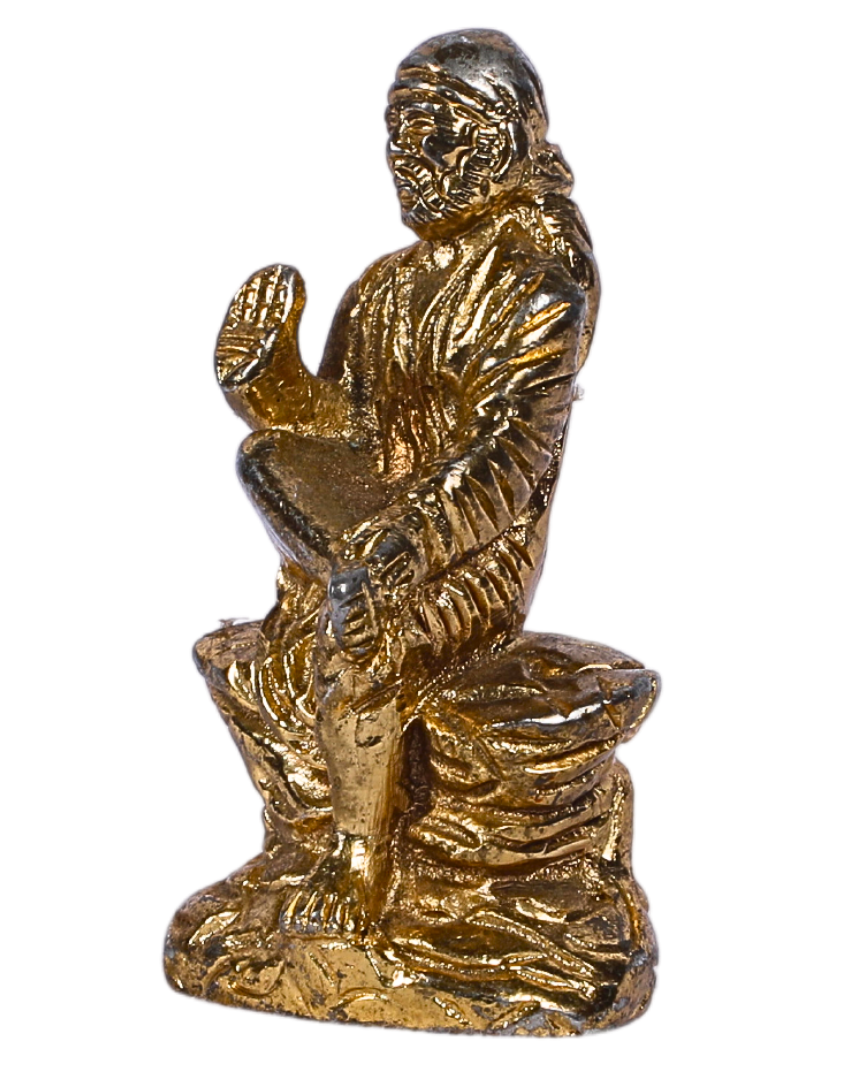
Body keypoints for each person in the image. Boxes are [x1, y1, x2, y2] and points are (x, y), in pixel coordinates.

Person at [196, 28, 602, 934]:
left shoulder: (540, 292)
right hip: (378, 524)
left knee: (361, 633)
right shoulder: (382, 288)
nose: (404, 156)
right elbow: (348, 432)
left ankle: (359, 855)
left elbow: (506, 460)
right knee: (258, 457)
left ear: (499, 143)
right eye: (396, 132)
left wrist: (404, 544)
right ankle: (340, 600)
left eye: (434, 132)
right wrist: (267, 384)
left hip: (475, 551)